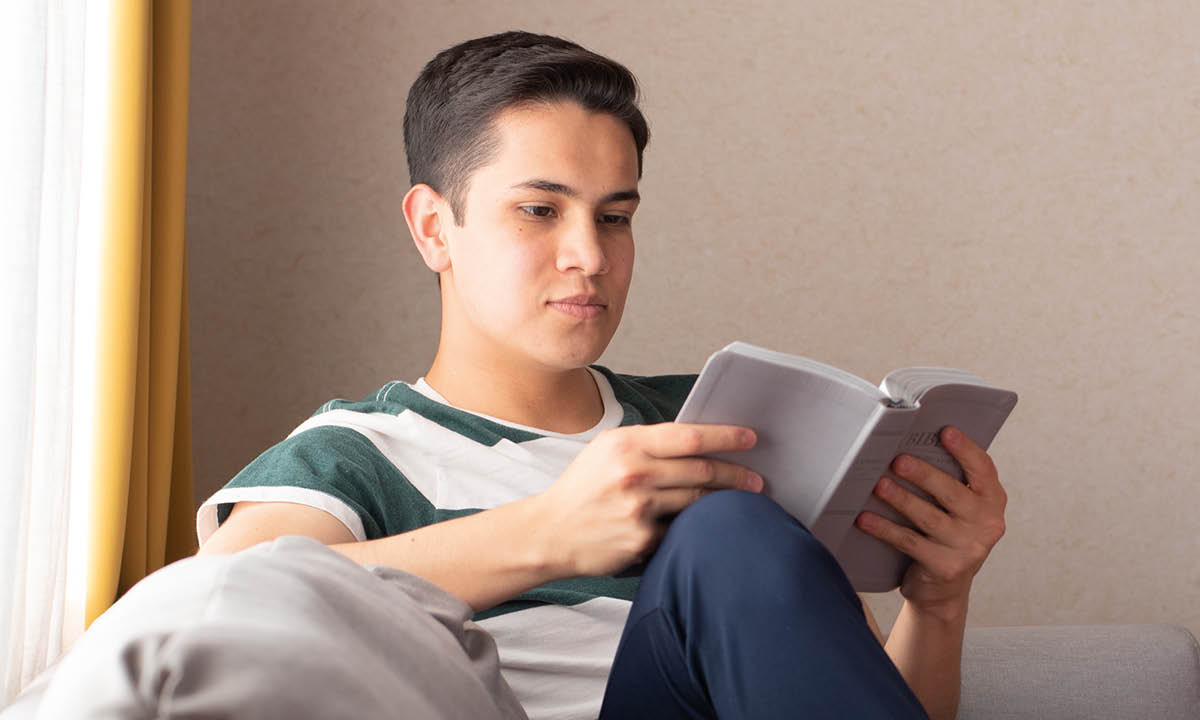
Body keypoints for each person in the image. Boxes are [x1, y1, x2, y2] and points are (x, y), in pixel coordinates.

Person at [190, 30, 1007, 720]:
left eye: (615, 217)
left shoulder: (711, 422)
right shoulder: (355, 454)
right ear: (436, 227)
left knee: (730, 530)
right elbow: (204, 615)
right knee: (726, 532)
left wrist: (939, 603)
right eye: (540, 211)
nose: (590, 255)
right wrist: (550, 533)